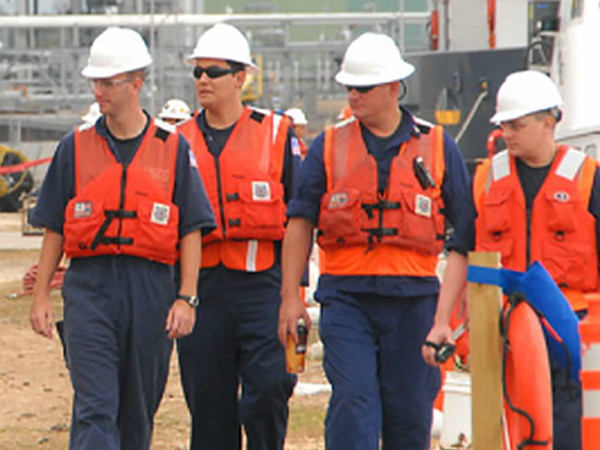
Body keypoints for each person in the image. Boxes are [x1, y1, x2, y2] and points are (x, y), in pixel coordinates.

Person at [278, 32, 471, 450]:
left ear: (392, 88)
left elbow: (467, 231)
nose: (353, 95)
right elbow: (299, 223)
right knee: (353, 404)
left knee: (408, 414)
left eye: (362, 87)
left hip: (414, 303)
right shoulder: (328, 147)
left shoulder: (438, 147)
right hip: (347, 300)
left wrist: (454, 311)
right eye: (348, 86)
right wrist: (291, 298)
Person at [29, 27, 216, 450]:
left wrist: (186, 298)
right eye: (95, 81)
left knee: (137, 413)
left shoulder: (173, 148)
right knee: (95, 407)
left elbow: (191, 229)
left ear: (136, 83)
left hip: (151, 289)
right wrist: (42, 295)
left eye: (108, 82)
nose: (98, 91)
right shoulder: (73, 148)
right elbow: (54, 228)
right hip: (89, 289)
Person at [423, 70, 600, 450]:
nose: (508, 134)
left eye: (517, 125)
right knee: (502, 429)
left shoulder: (588, 180)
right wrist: (441, 322)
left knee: (570, 432)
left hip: (570, 329)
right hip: (500, 329)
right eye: (504, 125)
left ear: (548, 122)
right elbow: (460, 252)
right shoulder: (488, 180)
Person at [177, 23, 301, 450]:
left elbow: (299, 220)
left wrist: (294, 293)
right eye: (197, 73)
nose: (203, 80)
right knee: (209, 405)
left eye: (213, 71)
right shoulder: (179, 142)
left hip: (262, 285)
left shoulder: (276, 134)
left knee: (269, 388)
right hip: (202, 290)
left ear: (241, 78)